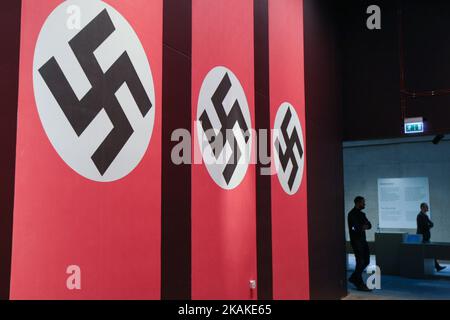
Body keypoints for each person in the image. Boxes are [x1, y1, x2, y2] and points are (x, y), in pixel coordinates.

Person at [348, 196, 372, 291]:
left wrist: (362, 226)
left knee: (366, 261)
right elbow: (355, 228)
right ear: (358, 203)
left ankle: (354, 277)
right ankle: (359, 283)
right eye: (363, 202)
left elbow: (369, 225)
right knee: (360, 262)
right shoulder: (351, 214)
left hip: (363, 241)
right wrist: (362, 226)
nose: (364, 204)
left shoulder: (362, 214)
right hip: (356, 241)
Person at [416, 203, 446, 272]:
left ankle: (437, 266)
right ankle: (437, 267)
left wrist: (428, 226)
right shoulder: (419, 216)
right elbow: (423, 227)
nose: (428, 208)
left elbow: (431, 224)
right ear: (422, 208)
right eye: (426, 207)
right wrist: (428, 226)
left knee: (431, 252)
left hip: (426, 237)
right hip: (422, 238)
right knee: (428, 252)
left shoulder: (425, 216)